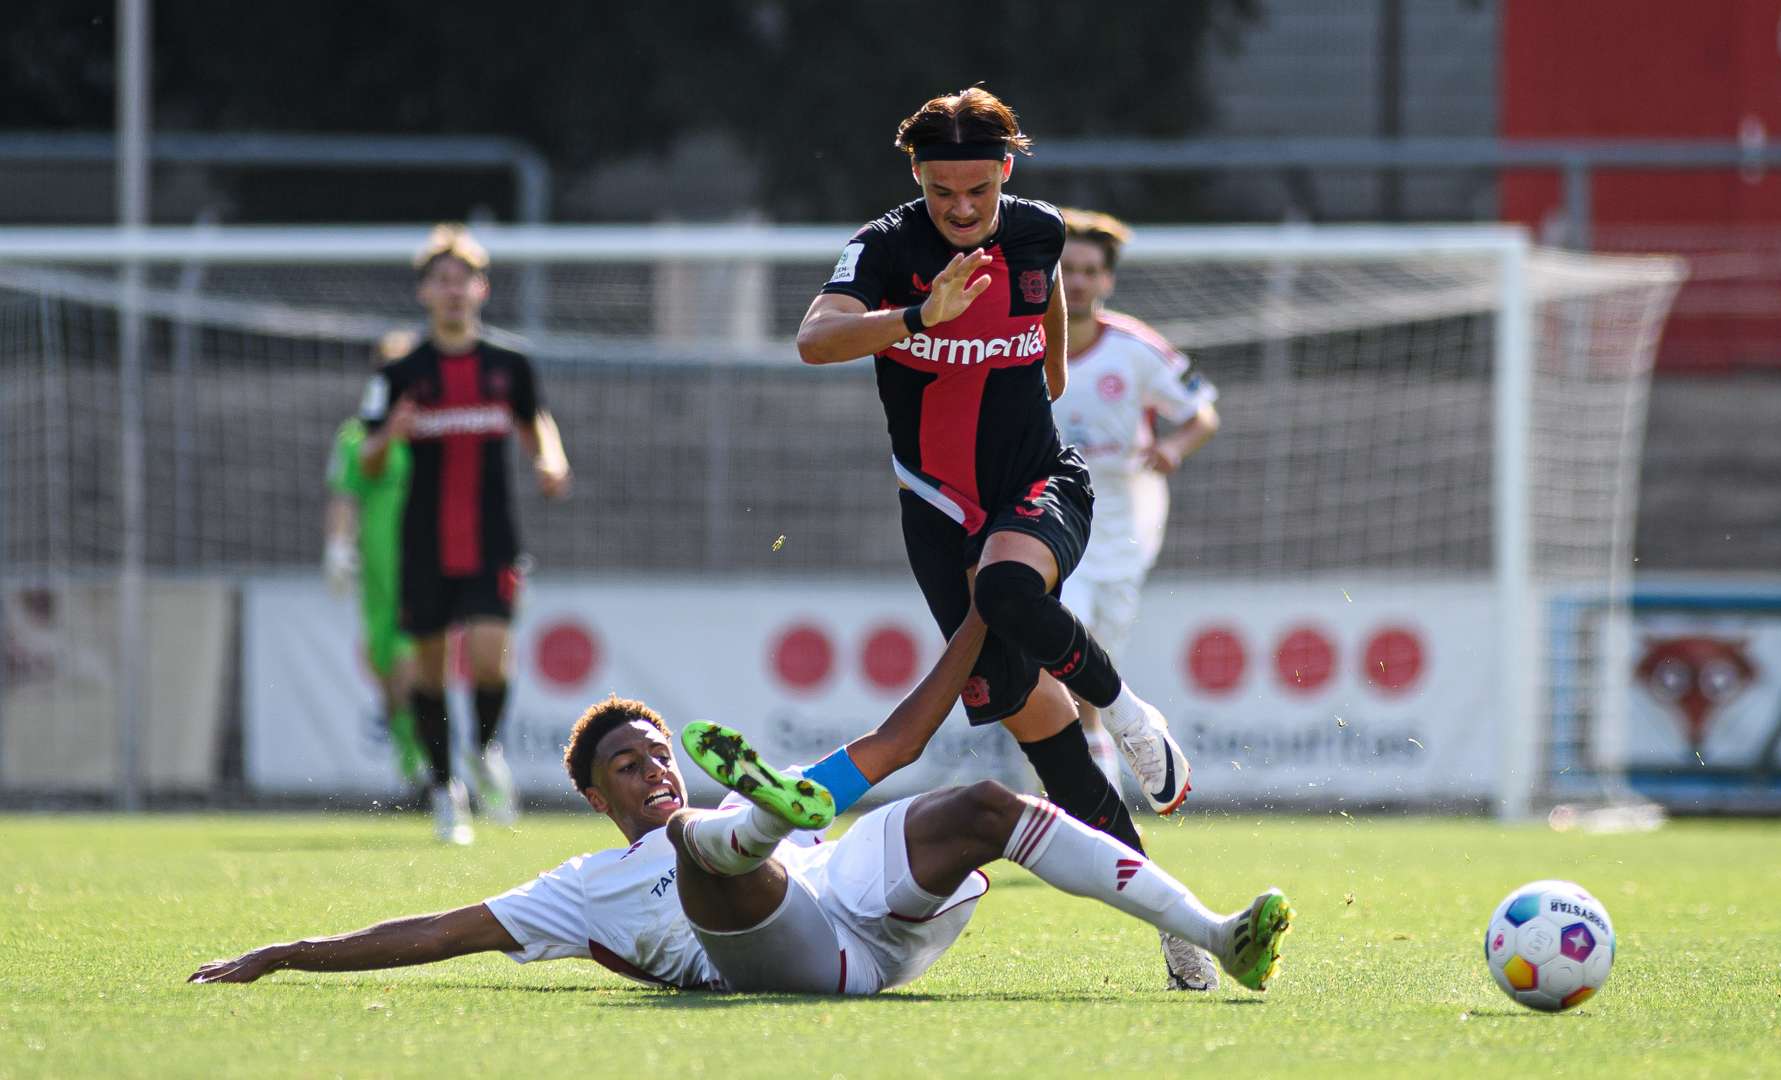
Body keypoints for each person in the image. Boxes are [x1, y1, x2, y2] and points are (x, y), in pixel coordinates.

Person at [188, 609, 1294, 996]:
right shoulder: (577, 891)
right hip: (783, 954)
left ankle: (1216, 936)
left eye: (659, 753)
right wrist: (288, 953)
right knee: (702, 864)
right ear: (588, 794)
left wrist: (980, 617)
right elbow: (439, 931)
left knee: (978, 802)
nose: (651, 767)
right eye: (629, 766)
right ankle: (754, 819)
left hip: (853, 899)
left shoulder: (672, 820)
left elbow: (902, 735)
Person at [796, 86, 1211, 987]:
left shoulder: (1036, 230)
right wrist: (917, 320)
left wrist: (1045, 373)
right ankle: (1169, 914)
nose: (961, 208)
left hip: (1037, 483)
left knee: (1009, 591)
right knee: (1052, 745)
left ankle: (1137, 720)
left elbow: (1050, 315)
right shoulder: (882, 247)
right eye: (943, 190)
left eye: (977, 190)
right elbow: (814, 340)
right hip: (938, 513)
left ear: (1005, 175)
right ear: (917, 176)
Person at [359, 224, 572, 844]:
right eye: (441, 281)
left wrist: (550, 460)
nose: (453, 292)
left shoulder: (510, 364)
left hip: (492, 539)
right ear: (425, 292)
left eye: (463, 280)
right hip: (423, 542)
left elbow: (538, 424)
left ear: (481, 289)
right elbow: (368, 460)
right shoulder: (400, 372)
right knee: (427, 668)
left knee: (486, 655)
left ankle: (483, 752)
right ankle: (445, 788)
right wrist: (389, 435)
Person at [1052, 210, 1220, 785]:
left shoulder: (1136, 349)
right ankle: (1084, 788)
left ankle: (1077, 777)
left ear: (1106, 281)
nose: (1076, 281)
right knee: (1062, 641)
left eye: (1089, 271)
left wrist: (1174, 448)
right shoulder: (1022, 343)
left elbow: (1202, 414)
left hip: (1126, 518)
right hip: (1051, 515)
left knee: (1100, 657)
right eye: (1066, 269)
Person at [325, 330, 432, 793]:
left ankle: (441, 767)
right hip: (378, 575)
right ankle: (413, 764)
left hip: (426, 569)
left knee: (416, 669)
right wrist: (338, 548)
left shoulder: (434, 434)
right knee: (389, 676)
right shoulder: (356, 436)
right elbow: (345, 496)